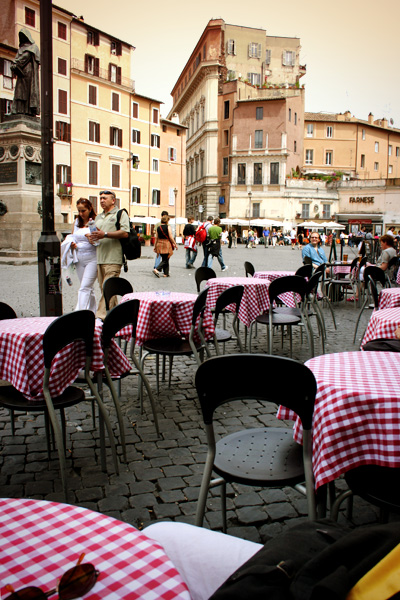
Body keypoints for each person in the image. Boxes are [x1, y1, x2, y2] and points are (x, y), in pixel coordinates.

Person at [88, 190, 129, 321]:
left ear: (113, 200)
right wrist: (92, 238)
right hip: (100, 258)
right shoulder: (98, 217)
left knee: (108, 289)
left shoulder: (120, 214)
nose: (101, 200)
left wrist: (105, 234)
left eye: (105, 198)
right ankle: (119, 317)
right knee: (107, 291)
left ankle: (99, 318)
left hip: (114, 258)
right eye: (100, 198)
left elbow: (125, 233)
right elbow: (98, 235)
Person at [69, 198, 98, 313]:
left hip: (92, 258)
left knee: (84, 287)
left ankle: (80, 313)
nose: (81, 214)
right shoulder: (76, 222)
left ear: (90, 209)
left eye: (83, 211)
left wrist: (91, 239)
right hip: (79, 258)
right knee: (87, 287)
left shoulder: (94, 221)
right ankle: (92, 311)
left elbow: (98, 242)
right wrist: (71, 244)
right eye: (79, 211)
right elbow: (72, 236)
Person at [11, 29, 40, 116]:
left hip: (28, 72)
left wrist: (16, 62)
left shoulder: (33, 47)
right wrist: (15, 65)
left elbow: (26, 56)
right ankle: (19, 110)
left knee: (26, 92)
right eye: (21, 36)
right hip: (21, 72)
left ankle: (28, 111)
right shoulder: (21, 48)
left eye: (24, 36)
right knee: (19, 91)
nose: (22, 38)